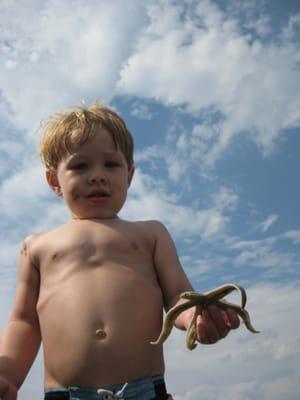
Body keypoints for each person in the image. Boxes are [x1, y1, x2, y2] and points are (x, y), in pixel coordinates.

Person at [0, 102, 240, 400]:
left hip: (144, 392)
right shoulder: (36, 245)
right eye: (80, 166)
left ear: (129, 174)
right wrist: (7, 375)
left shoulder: (151, 233)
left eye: (111, 164)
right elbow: (24, 321)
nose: (97, 175)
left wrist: (196, 317)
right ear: (54, 181)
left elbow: (178, 296)